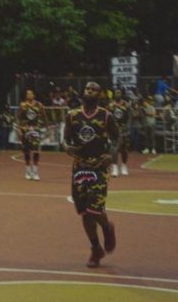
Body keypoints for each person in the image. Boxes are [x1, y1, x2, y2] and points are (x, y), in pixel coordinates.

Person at [64, 81, 120, 268]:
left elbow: (117, 137)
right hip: (79, 166)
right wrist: (66, 147)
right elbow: (64, 140)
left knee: (95, 208)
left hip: (98, 166)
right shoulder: (72, 116)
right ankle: (95, 248)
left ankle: (107, 227)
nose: (89, 91)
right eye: (87, 88)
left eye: (94, 89)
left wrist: (111, 155)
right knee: (85, 212)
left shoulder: (106, 116)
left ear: (100, 95)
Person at [18, 89, 46, 180]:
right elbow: (19, 117)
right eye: (27, 94)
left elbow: (44, 116)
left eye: (31, 93)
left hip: (36, 130)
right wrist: (19, 129)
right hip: (26, 129)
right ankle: (27, 171)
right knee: (26, 151)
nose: (29, 95)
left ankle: (35, 172)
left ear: (34, 95)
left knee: (36, 151)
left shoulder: (39, 105)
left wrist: (45, 127)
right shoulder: (23, 105)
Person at [108, 91, 132, 177]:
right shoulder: (111, 105)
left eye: (119, 93)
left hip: (124, 129)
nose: (117, 94)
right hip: (114, 129)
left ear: (121, 95)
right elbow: (108, 117)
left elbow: (129, 117)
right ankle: (115, 167)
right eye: (116, 93)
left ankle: (124, 166)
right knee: (114, 148)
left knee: (124, 149)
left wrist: (127, 126)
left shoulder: (126, 105)